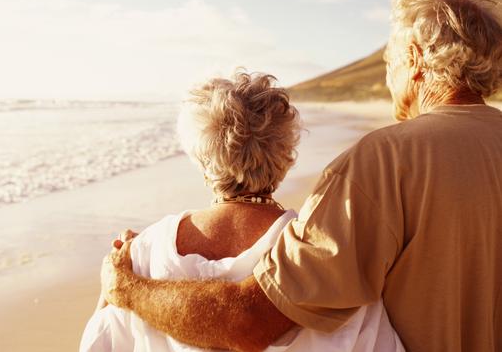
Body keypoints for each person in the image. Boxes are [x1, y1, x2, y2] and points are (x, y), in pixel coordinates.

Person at [99, 0, 502, 351]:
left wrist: (129, 290)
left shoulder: (384, 160)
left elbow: (250, 322)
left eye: (388, 61)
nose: (388, 75)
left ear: (413, 58)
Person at [80, 73, 404, 351]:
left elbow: (99, 344)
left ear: (200, 159)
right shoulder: (322, 256)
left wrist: (111, 289)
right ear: (285, 158)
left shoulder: (140, 254)